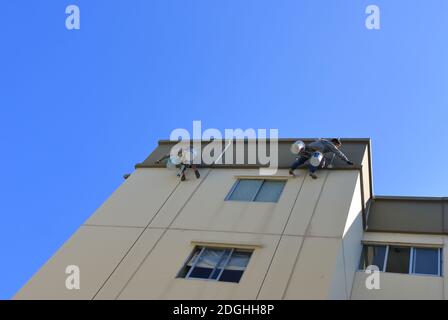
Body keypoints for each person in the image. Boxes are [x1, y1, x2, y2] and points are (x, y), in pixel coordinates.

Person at [289, 138, 354, 179]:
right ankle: (312, 172)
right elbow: (339, 153)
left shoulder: (322, 140)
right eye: (337, 146)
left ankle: (292, 169)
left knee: (301, 159)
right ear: (335, 143)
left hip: (307, 148)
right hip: (316, 152)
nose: (337, 147)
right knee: (317, 160)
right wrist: (347, 160)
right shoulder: (332, 145)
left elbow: (316, 139)